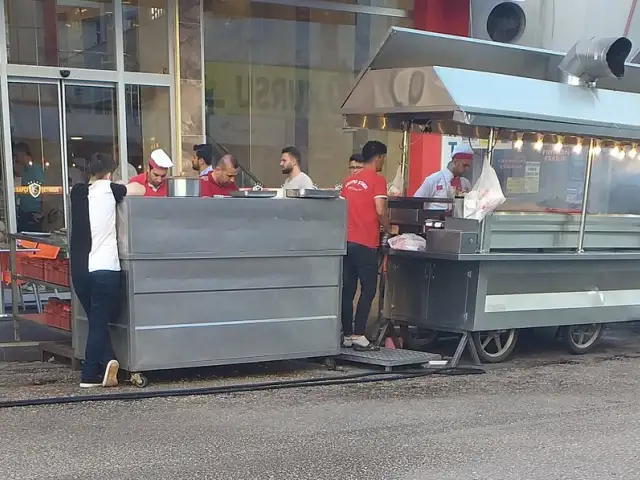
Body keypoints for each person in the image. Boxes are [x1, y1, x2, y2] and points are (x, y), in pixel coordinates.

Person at [69, 153, 145, 388]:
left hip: (80, 270)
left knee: (95, 320)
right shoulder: (113, 190)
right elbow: (139, 190)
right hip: (105, 268)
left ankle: (109, 361)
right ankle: (89, 374)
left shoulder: (78, 192)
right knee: (100, 322)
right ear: (111, 173)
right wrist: (122, 184)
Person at [340, 140, 390, 351]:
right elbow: (380, 209)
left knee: (348, 289)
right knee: (368, 289)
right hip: (366, 242)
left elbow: (340, 208)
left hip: (346, 241)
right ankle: (360, 334)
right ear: (378, 157)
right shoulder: (378, 181)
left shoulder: (348, 182)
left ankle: (347, 335)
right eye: (383, 159)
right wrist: (389, 228)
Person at [413, 144, 474, 209]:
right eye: (464, 165)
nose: (467, 169)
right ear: (455, 162)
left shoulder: (465, 183)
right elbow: (415, 203)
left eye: (468, 166)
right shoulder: (434, 180)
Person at [13, 142, 44, 232]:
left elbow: (43, 190)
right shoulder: (24, 171)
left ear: (23, 153)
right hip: (23, 211)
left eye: (17, 155)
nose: (16, 158)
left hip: (33, 212)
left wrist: (41, 212)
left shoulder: (36, 169)